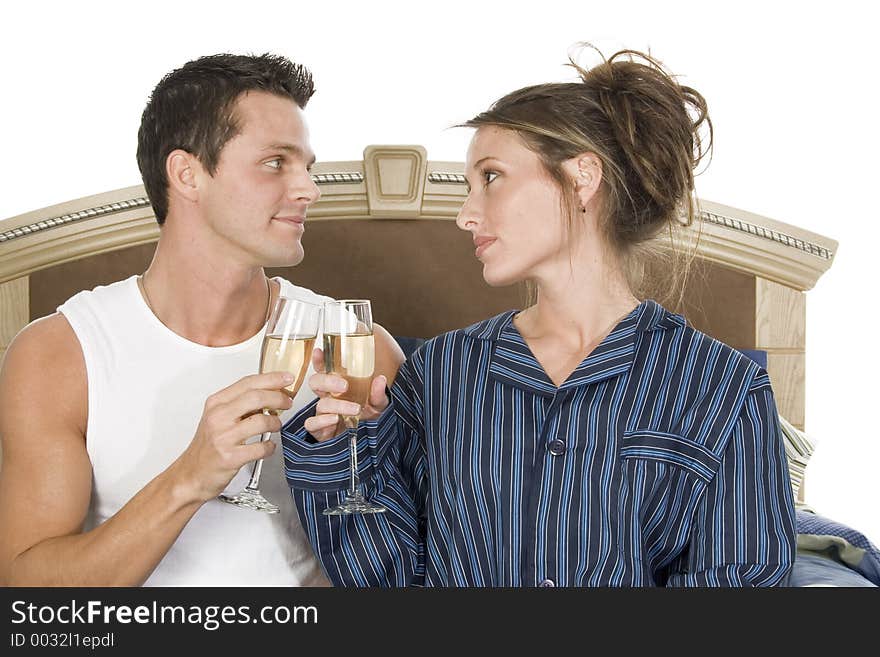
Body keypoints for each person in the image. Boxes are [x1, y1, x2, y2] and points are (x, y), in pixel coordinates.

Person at [281, 48, 796, 587]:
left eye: (492, 177)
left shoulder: (722, 388)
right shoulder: (439, 373)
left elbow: (742, 579)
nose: (465, 214)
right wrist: (344, 452)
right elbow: (382, 581)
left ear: (581, 178)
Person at [0, 53, 404, 586]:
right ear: (187, 174)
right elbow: (26, 591)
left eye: (308, 166)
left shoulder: (356, 347)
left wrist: (365, 466)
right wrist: (189, 478)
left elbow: (413, 566)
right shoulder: (61, 354)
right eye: (276, 162)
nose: (309, 189)